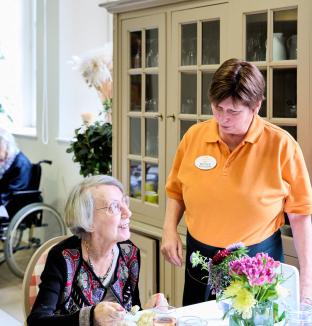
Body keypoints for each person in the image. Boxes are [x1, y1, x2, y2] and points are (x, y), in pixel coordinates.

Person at [161, 58, 312, 306]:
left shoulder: (281, 146)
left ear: (256, 106)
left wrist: (307, 286)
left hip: (257, 263)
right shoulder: (194, 137)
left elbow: (301, 216)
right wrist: (168, 230)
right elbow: (176, 189)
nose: (223, 119)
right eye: (217, 108)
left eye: (233, 111)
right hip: (200, 257)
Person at [27, 175, 167, 326]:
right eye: (114, 206)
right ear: (88, 221)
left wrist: (148, 311)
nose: (128, 212)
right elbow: (37, 321)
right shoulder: (64, 257)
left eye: (124, 202)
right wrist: (91, 316)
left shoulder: (129, 253)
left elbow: (130, 311)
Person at [0, 127, 32, 217]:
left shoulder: (21, 164)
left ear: (7, 147)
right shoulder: (6, 161)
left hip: (11, 205)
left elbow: (14, 193)